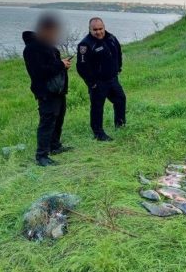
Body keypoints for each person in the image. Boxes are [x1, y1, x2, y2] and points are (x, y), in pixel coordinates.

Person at [23, 13, 73, 167]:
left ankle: (55, 146)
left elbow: (53, 67)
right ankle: (42, 156)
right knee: (47, 122)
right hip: (46, 92)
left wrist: (62, 64)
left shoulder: (49, 47)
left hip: (58, 91)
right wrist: (60, 65)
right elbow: (39, 72)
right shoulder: (32, 49)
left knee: (58, 119)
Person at [77, 17, 126, 141]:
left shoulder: (111, 38)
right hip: (98, 82)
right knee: (97, 107)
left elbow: (118, 53)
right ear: (90, 29)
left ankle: (120, 125)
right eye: (95, 30)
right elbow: (81, 67)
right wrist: (91, 83)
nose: (98, 32)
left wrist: (118, 68)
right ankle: (98, 133)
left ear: (104, 27)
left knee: (120, 99)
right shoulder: (85, 44)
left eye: (100, 28)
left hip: (112, 79)